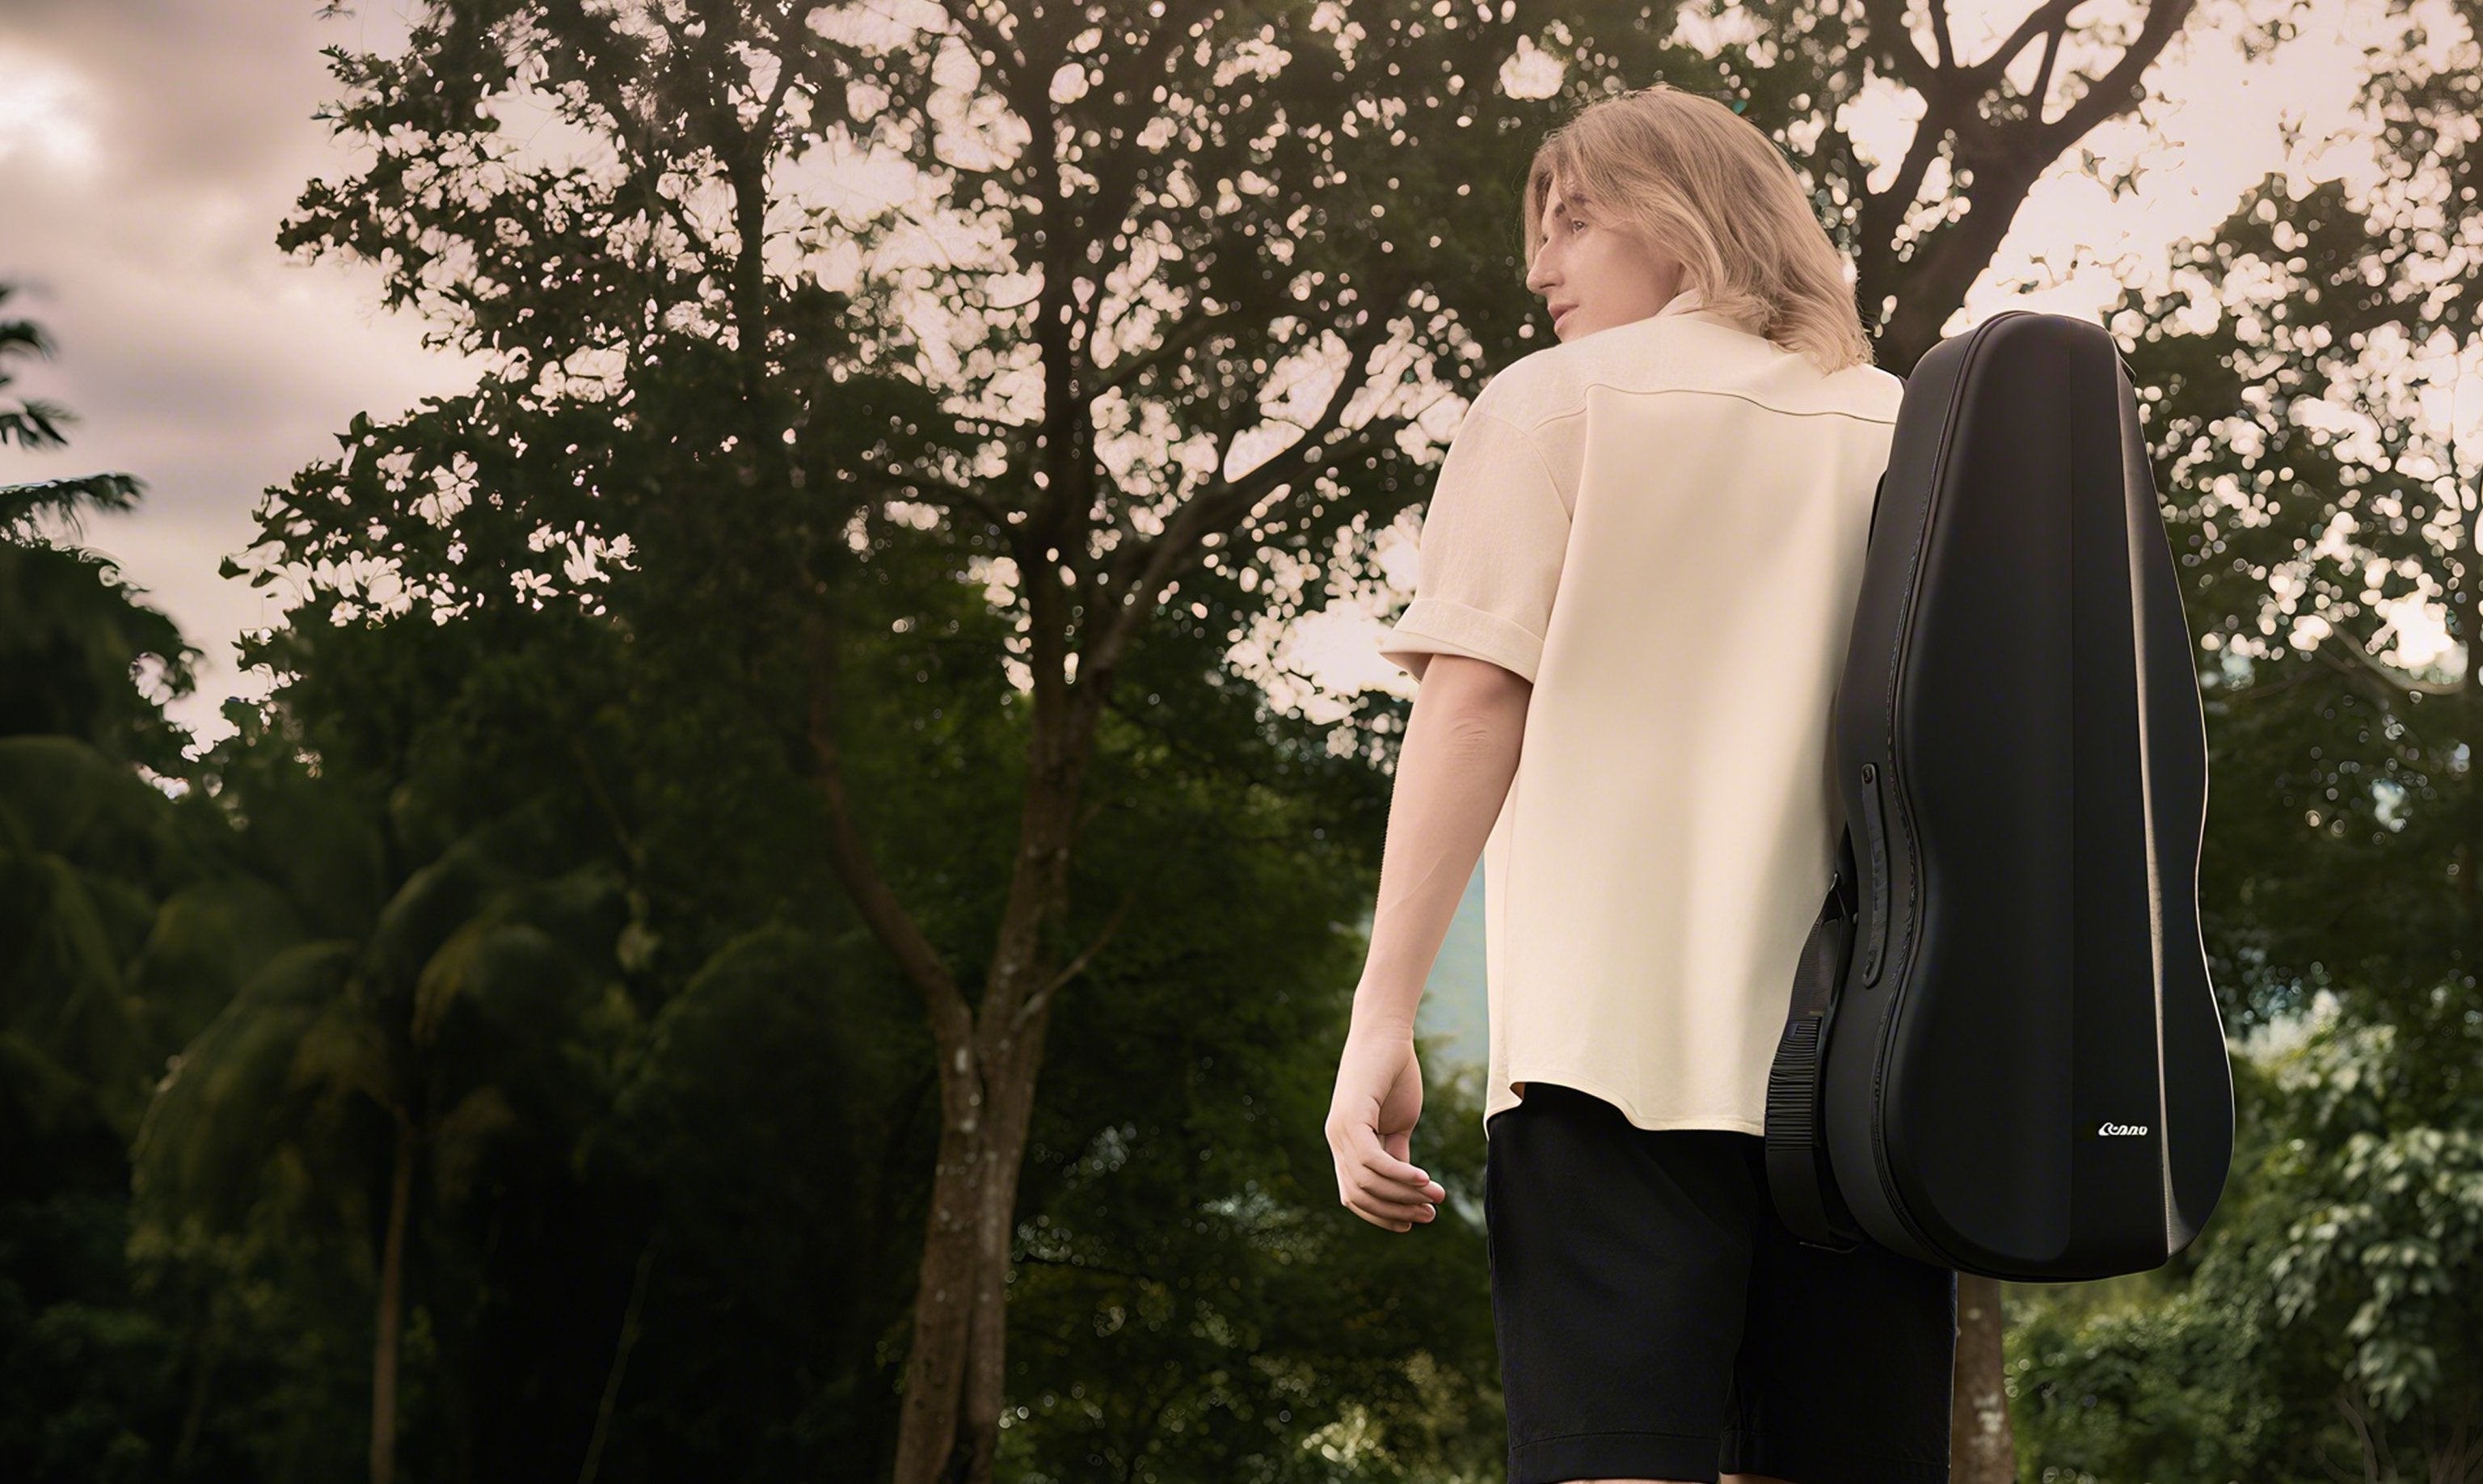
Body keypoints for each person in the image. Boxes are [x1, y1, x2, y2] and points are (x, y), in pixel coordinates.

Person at [1324, 85, 1959, 1484]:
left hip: (1606, 1068)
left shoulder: (1550, 405)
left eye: (1571, 222)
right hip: (1862, 1082)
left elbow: (1470, 705)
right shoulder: (1910, 429)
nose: (1540, 268)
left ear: (1680, 220)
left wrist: (1382, 1019)